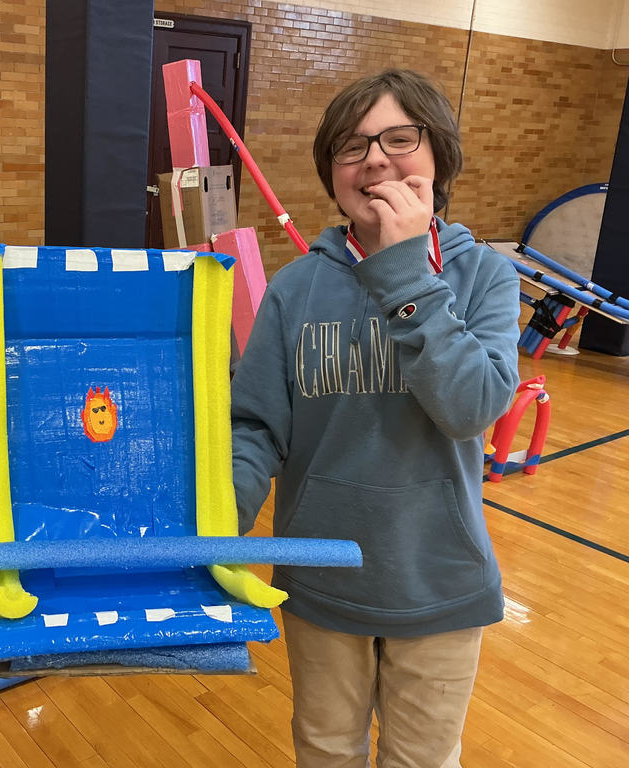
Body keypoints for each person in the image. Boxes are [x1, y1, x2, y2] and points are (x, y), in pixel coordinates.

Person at [231, 70, 520, 767]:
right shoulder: (297, 285)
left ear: (438, 158)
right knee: (326, 751)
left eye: (399, 138)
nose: (376, 160)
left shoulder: (484, 277)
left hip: (441, 585)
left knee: (423, 759)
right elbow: (256, 428)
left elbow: (473, 406)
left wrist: (403, 273)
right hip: (323, 585)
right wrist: (212, 533)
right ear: (331, 172)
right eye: (352, 147)